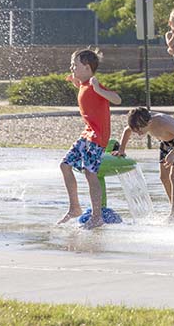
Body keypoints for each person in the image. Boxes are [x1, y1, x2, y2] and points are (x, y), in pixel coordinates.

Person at [57, 49, 122, 229]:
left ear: (86, 67)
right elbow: (86, 94)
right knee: (65, 165)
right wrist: (75, 82)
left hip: (97, 137)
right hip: (86, 135)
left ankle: (97, 216)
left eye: (74, 65)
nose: (71, 67)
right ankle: (75, 208)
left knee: (90, 173)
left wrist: (99, 88)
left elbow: (117, 99)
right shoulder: (84, 84)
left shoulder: (94, 84)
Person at [117, 107, 174, 221]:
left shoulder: (163, 122)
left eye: (140, 131)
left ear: (149, 122)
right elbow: (127, 131)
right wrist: (121, 150)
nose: (140, 134)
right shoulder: (140, 121)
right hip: (165, 142)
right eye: (137, 132)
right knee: (163, 177)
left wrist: (172, 153)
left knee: (173, 176)